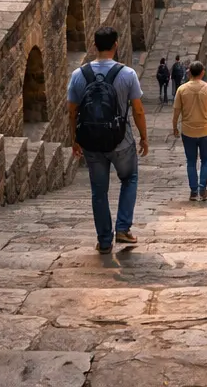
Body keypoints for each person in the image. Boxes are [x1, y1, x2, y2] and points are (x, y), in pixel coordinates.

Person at [67, 26, 148, 253]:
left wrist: (75, 139)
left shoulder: (78, 75)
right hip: (121, 141)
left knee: (99, 191)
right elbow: (138, 111)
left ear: (94, 46)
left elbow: (72, 111)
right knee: (129, 178)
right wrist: (144, 138)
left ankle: (104, 240)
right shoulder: (127, 74)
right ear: (116, 45)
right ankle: (123, 228)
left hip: (91, 143)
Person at [172, 61, 207, 201]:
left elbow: (176, 111)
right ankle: (202, 188)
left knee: (190, 161)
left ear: (190, 73)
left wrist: (174, 127)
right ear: (202, 72)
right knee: (206, 160)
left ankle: (193, 191)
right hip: (206, 130)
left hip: (188, 131)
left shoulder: (181, 90)